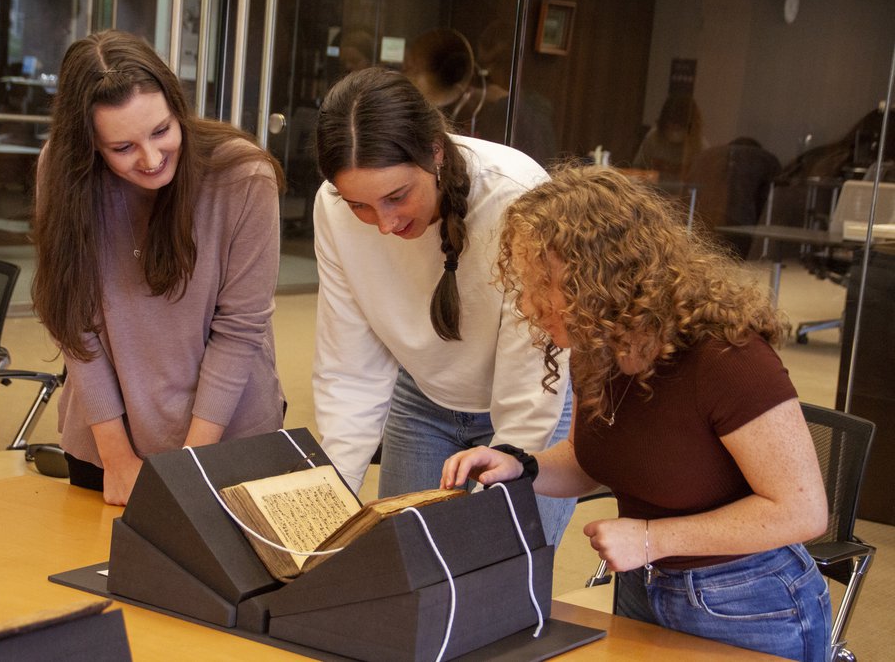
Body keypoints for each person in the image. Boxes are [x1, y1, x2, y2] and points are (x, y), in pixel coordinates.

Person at [441, 164, 831, 661]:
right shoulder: (597, 346)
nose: (530, 304)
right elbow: (589, 461)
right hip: (645, 582)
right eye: (526, 282)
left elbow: (802, 511)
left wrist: (651, 538)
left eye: (546, 283)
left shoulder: (728, 359)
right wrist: (523, 467)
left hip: (748, 601)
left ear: (606, 278)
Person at [312, 66, 576, 545]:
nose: (385, 223)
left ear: (435, 151)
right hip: (423, 398)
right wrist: (333, 498)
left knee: (496, 578)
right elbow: (349, 369)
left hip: (531, 396)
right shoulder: (331, 206)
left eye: (397, 196)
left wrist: (513, 457)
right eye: (361, 207)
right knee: (407, 572)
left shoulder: (517, 194)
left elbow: (532, 367)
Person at [32, 30, 285, 506]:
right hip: (106, 447)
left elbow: (239, 329)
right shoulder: (62, 174)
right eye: (122, 148)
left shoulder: (244, 176)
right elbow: (73, 321)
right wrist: (117, 458)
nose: (151, 159)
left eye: (162, 131)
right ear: (88, 145)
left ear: (177, 107)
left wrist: (188, 469)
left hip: (228, 444)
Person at [633, 94, 706, 182]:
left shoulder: (699, 146)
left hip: (683, 195)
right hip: (652, 192)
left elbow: (703, 182)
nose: (675, 128)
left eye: (680, 125)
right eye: (671, 124)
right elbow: (637, 169)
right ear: (664, 122)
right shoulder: (653, 138)